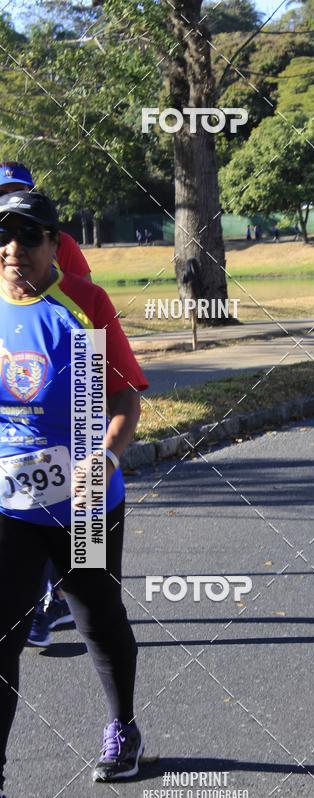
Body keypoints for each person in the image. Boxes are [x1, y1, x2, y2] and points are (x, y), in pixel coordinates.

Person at [0, 191, 148, 798]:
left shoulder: (82, 306)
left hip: (84, 499)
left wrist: (107, 459)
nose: (11, 251)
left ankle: (123, 726)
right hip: (8, 505)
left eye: (26, 238)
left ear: (54, 243)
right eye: (1, 238)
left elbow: (120, 400)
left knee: (95, 614)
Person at [0, 162, 92, 645]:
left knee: (95, 592)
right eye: (2, 196)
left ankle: (60, 599)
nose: (10, 204)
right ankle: (36, 604)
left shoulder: (60, 245)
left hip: (61, 387)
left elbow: (82, 306)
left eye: (18, 193)